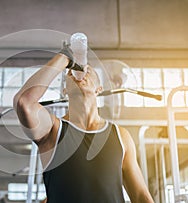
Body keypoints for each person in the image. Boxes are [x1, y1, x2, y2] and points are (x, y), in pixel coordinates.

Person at [13, 43, 154, 203]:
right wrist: (64, 58)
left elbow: (141, 196)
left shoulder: (121, 136)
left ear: (99, 89)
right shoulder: (53, 130)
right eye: (71, 72)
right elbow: (24, 102)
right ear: (65, 91)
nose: (80, 73)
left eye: (88, 70)